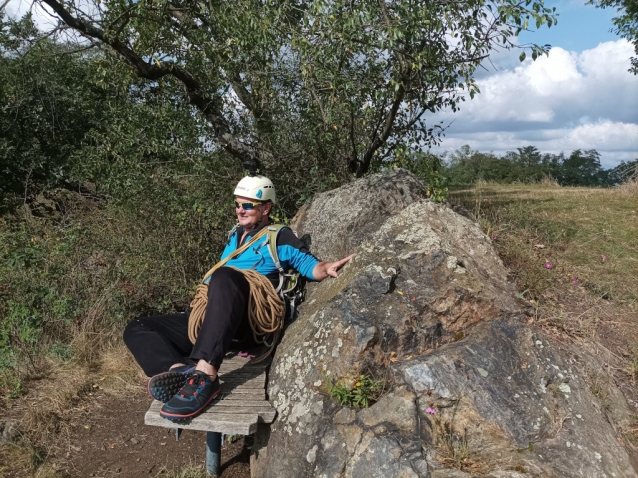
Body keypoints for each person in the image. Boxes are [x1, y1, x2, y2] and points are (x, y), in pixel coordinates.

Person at [123, 175, 354, 421]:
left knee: (225, 276)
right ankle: (180, 371)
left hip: (247, 324)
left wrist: (326, 268)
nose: (239, 211)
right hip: (213, 320)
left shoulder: (278, 236)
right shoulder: (235, 236)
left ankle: (206, 377)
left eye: (247, 205)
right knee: (138, 327)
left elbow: (308, 265)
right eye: (237, 204)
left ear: (266, 208)